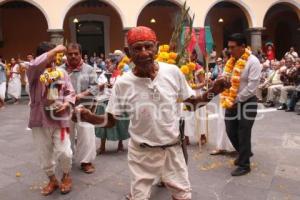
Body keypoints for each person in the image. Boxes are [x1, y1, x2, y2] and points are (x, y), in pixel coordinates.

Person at [74, 26, 230, 200]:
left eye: (148, 46)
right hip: (141, 155)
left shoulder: (173, 72)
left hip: (172, 151)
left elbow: (192, 104)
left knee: (183, 196)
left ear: (156, 47)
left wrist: (213, 91)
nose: (144, 53)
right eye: (137, 48)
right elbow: (110, 121)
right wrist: (87, 117)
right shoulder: (123, 83)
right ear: (128, 52)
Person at [27, 42, 75, 196]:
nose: (55, 59)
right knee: (44, 154)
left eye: (56, 56)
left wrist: (67, 103)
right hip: (39, 119)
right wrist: (54, 50)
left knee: (65, 152)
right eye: (52, 56)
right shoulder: (34, 72)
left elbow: (70, 91)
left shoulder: (62, 73)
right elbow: (34, 65)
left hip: (59, 118)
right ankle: (53, 179)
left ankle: (66, 176)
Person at [224, 33, 262, 176]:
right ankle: (244, 152)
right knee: (230, 130)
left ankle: (244, 165)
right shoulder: (231, 61)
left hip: (248, 102)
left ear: (243, 47)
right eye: (229, 47)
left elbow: (252, 86)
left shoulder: (253, 62)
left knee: (243, 132)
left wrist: (237, 99)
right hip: (232, 101)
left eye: (232, 47)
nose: (229, 50)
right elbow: (226, 78)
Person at [60, 43, 98, 174]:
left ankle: (86, 162)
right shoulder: (60, 70)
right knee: (65, 136)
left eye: (76, 53)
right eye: (70, 54)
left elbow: (95, 87)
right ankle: (67, 160)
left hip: (84, 107)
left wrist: (80, 95)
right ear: (66, 55)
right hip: (65, 108)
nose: (73, 56)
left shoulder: (89, 69)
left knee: (86, 135)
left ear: (80, 54)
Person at [95, 57, 130, 154]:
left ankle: (120, 144)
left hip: (118, 101)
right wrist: (104, 85)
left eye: (109, 63)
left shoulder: (122, 75)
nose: (106, 65)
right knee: (103, 122)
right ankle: (102, 146)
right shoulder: (102, 74)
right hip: (105, 100)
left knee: (120, 123)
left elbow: (124, 88)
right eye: (105, 63)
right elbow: (98, 87)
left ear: (115, 64)